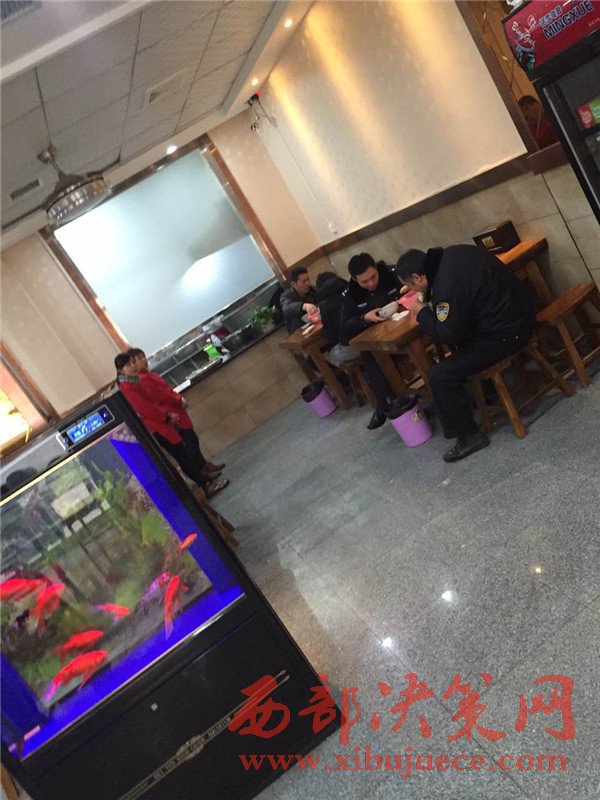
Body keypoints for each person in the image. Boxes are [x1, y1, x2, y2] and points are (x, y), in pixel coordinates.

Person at [396, 245, 535, 463]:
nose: (414, 292)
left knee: (440, 375)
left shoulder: (445, 286)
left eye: (412, 288)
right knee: (462, 346)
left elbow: (447, 333)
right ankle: (488, 394)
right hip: (522, 312)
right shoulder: (453, 253)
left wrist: (421, 312)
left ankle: (469, 437)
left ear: (417, 277)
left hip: (508, 333)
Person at [114, 353, 229, 498]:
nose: (133, 366)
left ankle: (206, 478)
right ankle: (206, 484)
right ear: (120, 370)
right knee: (183, 457)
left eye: (133, 362)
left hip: (163, 423)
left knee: (185, 452)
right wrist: (166, 415)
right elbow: (146, 408)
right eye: (129, 364)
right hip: (158, 426)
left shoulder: (133, 381)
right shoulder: (128, 386)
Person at [339, 253, 403, 429]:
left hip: (404, 324)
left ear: (376, 268)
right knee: (368, 355)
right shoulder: (350, 294)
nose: (371, 283)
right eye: (364, 282)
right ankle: (384, 402)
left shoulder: (390, 273)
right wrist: (364, 318)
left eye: (373, 277)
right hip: (379, 341)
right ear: (355, 279)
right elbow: (344, 328)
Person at [280, 267, 319, 333]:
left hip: (316, 325)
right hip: (299, 331)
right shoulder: (286, 296)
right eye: (303, 281)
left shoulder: (313, 289)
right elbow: (286, 307)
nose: (307, 283)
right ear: (294, 284)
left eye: (308, 279)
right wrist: (304, 306)